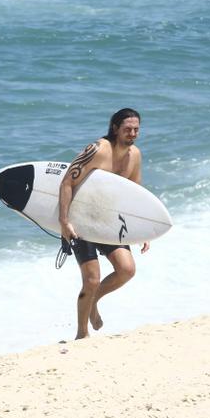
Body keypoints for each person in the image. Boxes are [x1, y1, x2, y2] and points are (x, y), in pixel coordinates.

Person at [59, 108, 150, 339]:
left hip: (108, 220)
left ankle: (94, 300)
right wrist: (64, 221)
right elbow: (67, 181)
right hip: (80, 220)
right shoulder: (97, 150)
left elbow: (134, 193)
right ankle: (82, 334)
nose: (133, 133)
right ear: (115, 128)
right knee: (91, 279)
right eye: (128, 129)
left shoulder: (135, 155)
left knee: (127, 270)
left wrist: (143, 230)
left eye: (136, 129)